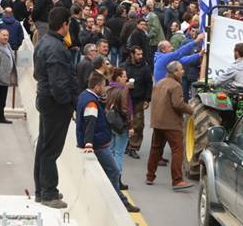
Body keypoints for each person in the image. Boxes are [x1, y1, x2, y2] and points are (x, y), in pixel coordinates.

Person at [33, 6, 79, 208]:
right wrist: (69, 103)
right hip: (55, 105)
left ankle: (41, 190)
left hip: (45, 100)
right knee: (50, 150)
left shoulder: (44, 42)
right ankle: (49, 193)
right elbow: (59, 84)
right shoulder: (57, 48)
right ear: (65, 24)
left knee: (44, 147)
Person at [76, 71, 139, 212]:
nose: (105, 89)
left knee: (109, 172)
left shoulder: (84, 96)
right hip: (98, 145)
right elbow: (90, 123)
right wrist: (88, 144)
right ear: (97, 87)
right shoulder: (91, 103)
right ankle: (119, 201)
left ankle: (118, 199)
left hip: (98, 143)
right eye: (103, 86)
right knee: (114, 171)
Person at [148, 60, 194, 190]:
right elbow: (178, 104)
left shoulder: (159, 83)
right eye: (181, 69)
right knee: (177, 150)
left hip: (157, 122)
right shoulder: (176, 86)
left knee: (155, 148)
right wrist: (191, 110)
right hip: (171, 123)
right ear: (175, 72)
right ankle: (177, 180)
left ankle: (150, 176)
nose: (183, 71)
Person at [123, 45, 152, 159]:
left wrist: (147, 99)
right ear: (132, 54)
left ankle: (133, 147)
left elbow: (149, 84)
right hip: (125, 99)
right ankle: (125, 143)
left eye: (141, 54)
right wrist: (125, 86)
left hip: (139, 100)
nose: (140, 56)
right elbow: (117, 81)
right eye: (138, 54)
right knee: (125, 122)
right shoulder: (124, 66)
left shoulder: (145, 68)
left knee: (138, 124)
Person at [105, 66, 133, 186]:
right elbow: (126, 109)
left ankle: (109, 176)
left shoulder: (107, 89)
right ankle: (117, 179)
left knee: (110, 151)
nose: (126, 78)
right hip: (121, 125)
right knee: (119, 153)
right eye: (124, 76)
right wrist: (130, 126)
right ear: (118, 77)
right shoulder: (123, 90)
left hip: (109, 123)